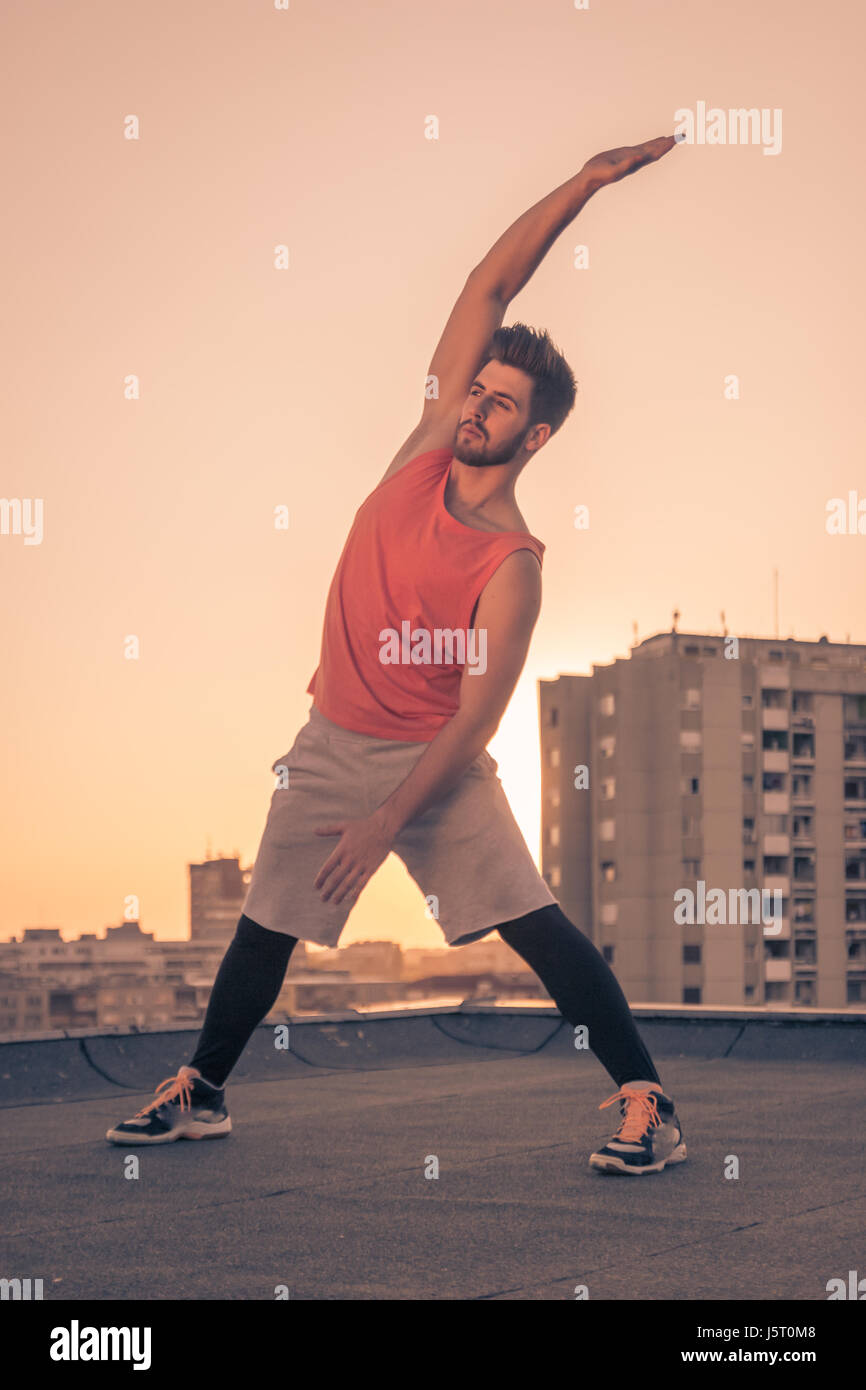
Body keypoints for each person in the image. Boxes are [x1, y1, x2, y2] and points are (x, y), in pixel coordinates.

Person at [107, 134, 686, 1176]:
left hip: (436, 758)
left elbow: (472, 721)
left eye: (500, 404)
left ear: (535, 436)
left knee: (534, 923)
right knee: (266, 923)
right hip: (332, 738)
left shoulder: (513, 563)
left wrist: (385, 818)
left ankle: (646, 1100)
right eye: (475, 391)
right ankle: (202, 1091)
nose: (475, 408)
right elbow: (489, 280)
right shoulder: (423, 448)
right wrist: (587, 183)